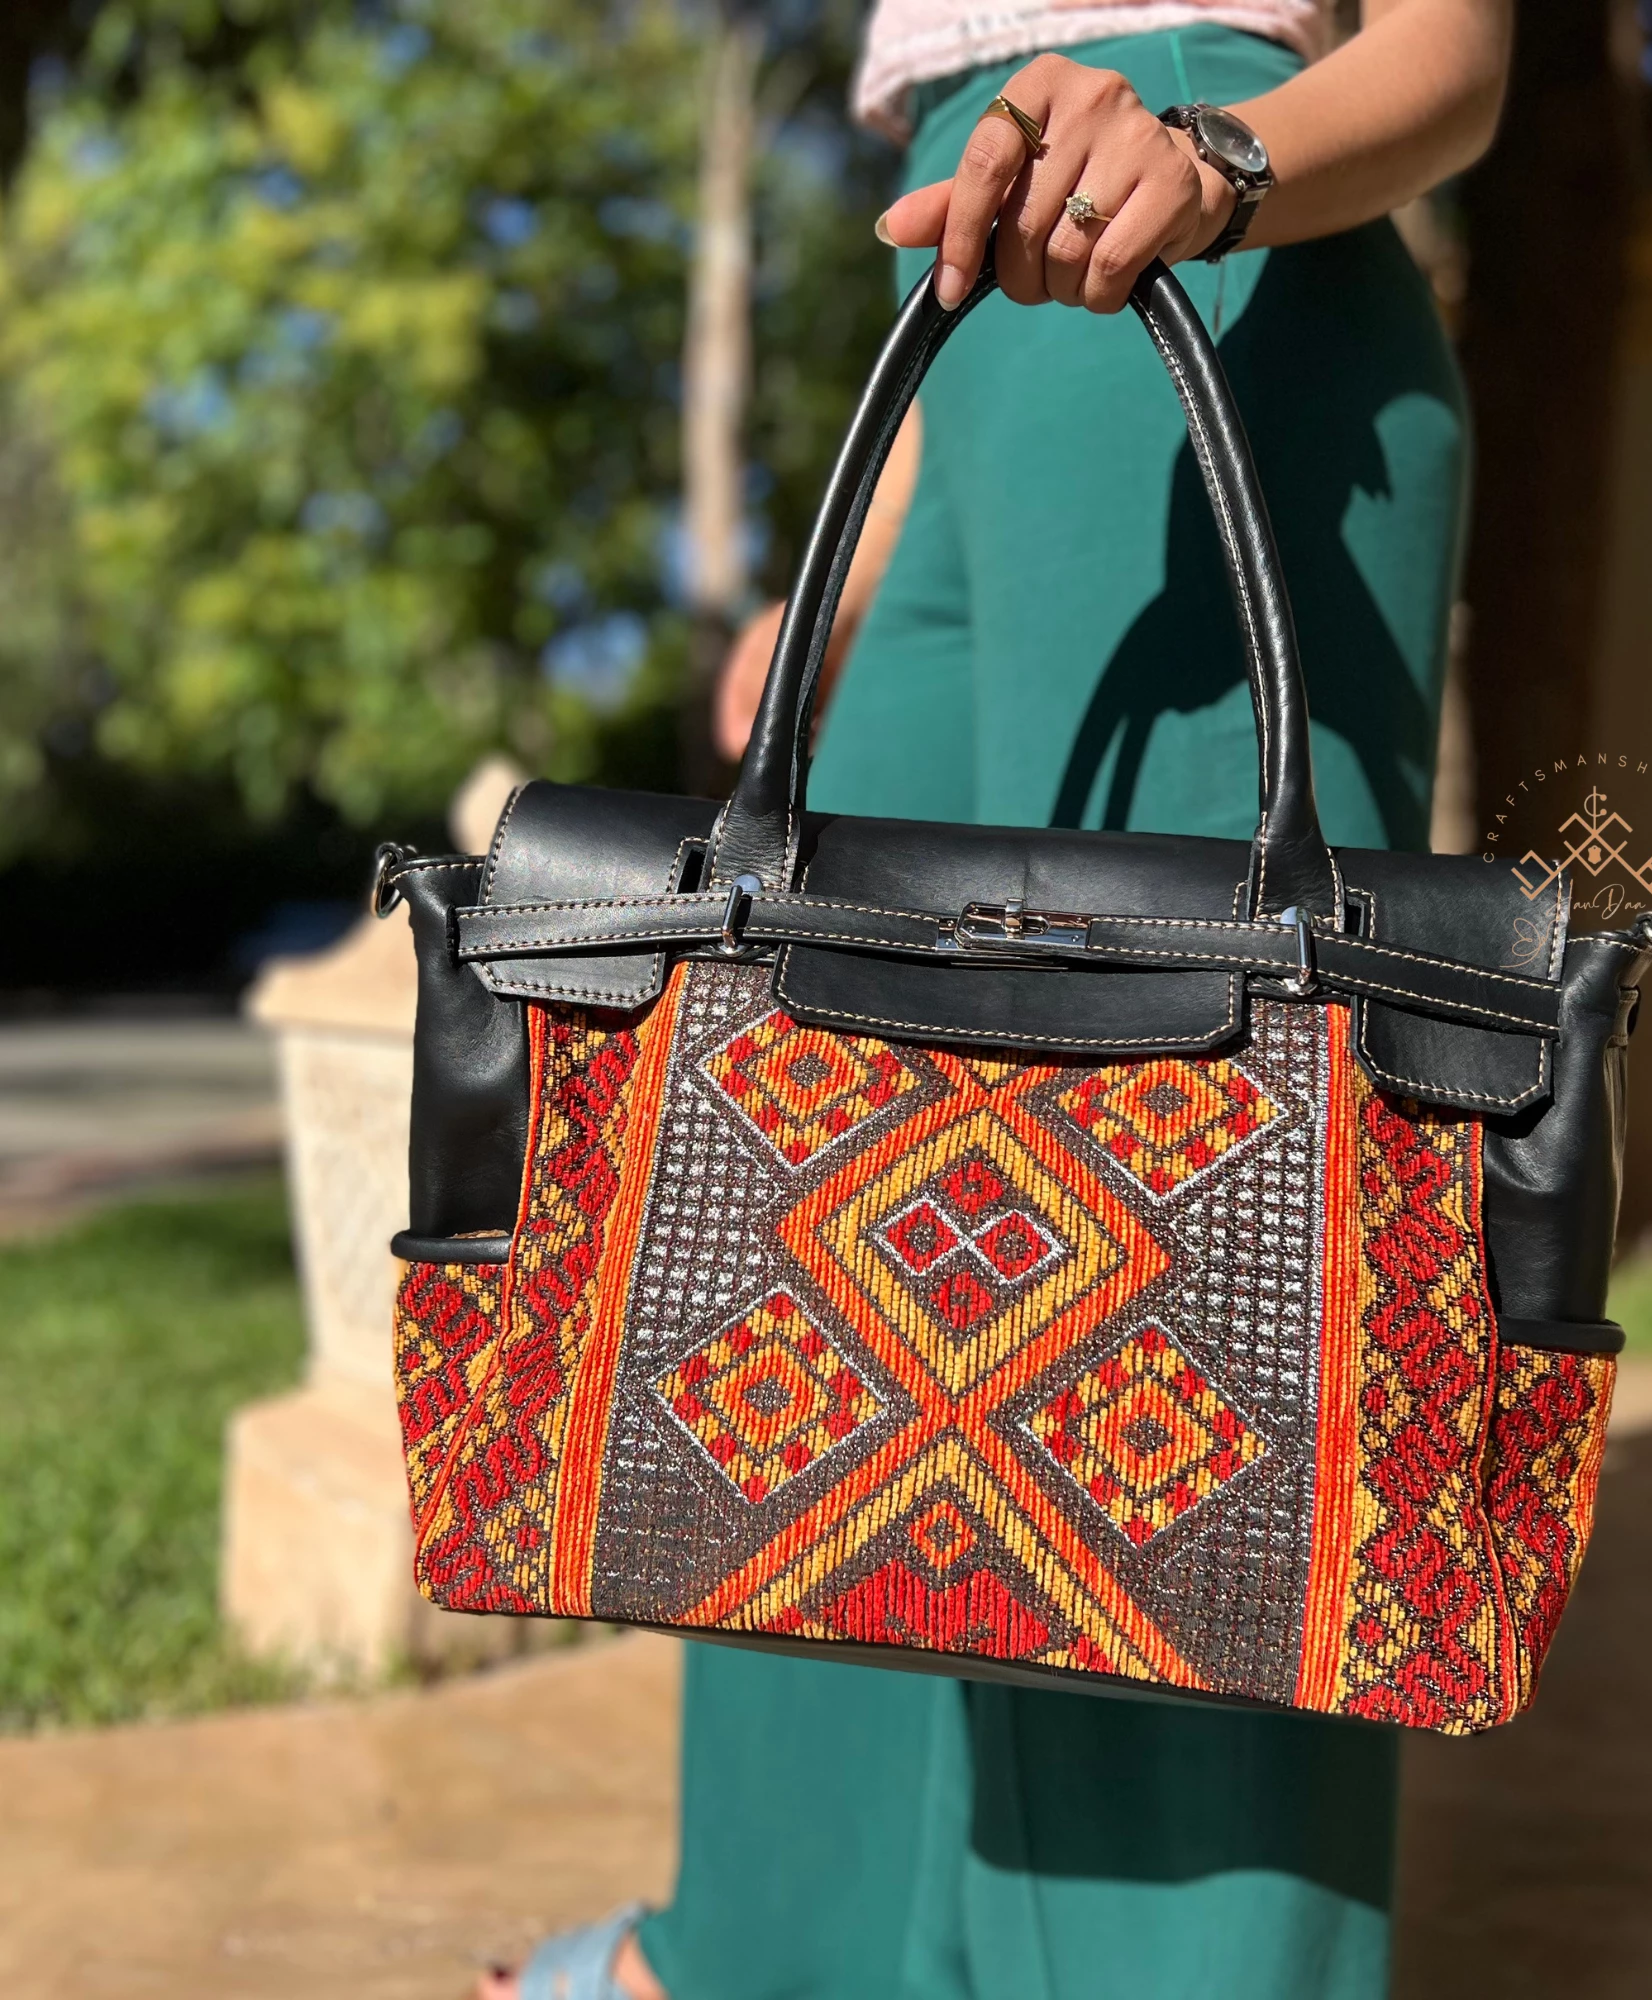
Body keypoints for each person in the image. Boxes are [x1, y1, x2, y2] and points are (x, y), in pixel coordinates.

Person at [483, 1, 1510, 1993]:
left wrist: (1223, 163)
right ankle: (773, 1953)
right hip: (982, 327)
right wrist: (851, 575)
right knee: (820, 1211)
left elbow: (1460, 55)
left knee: (1191, 1268)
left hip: (1223, 240)